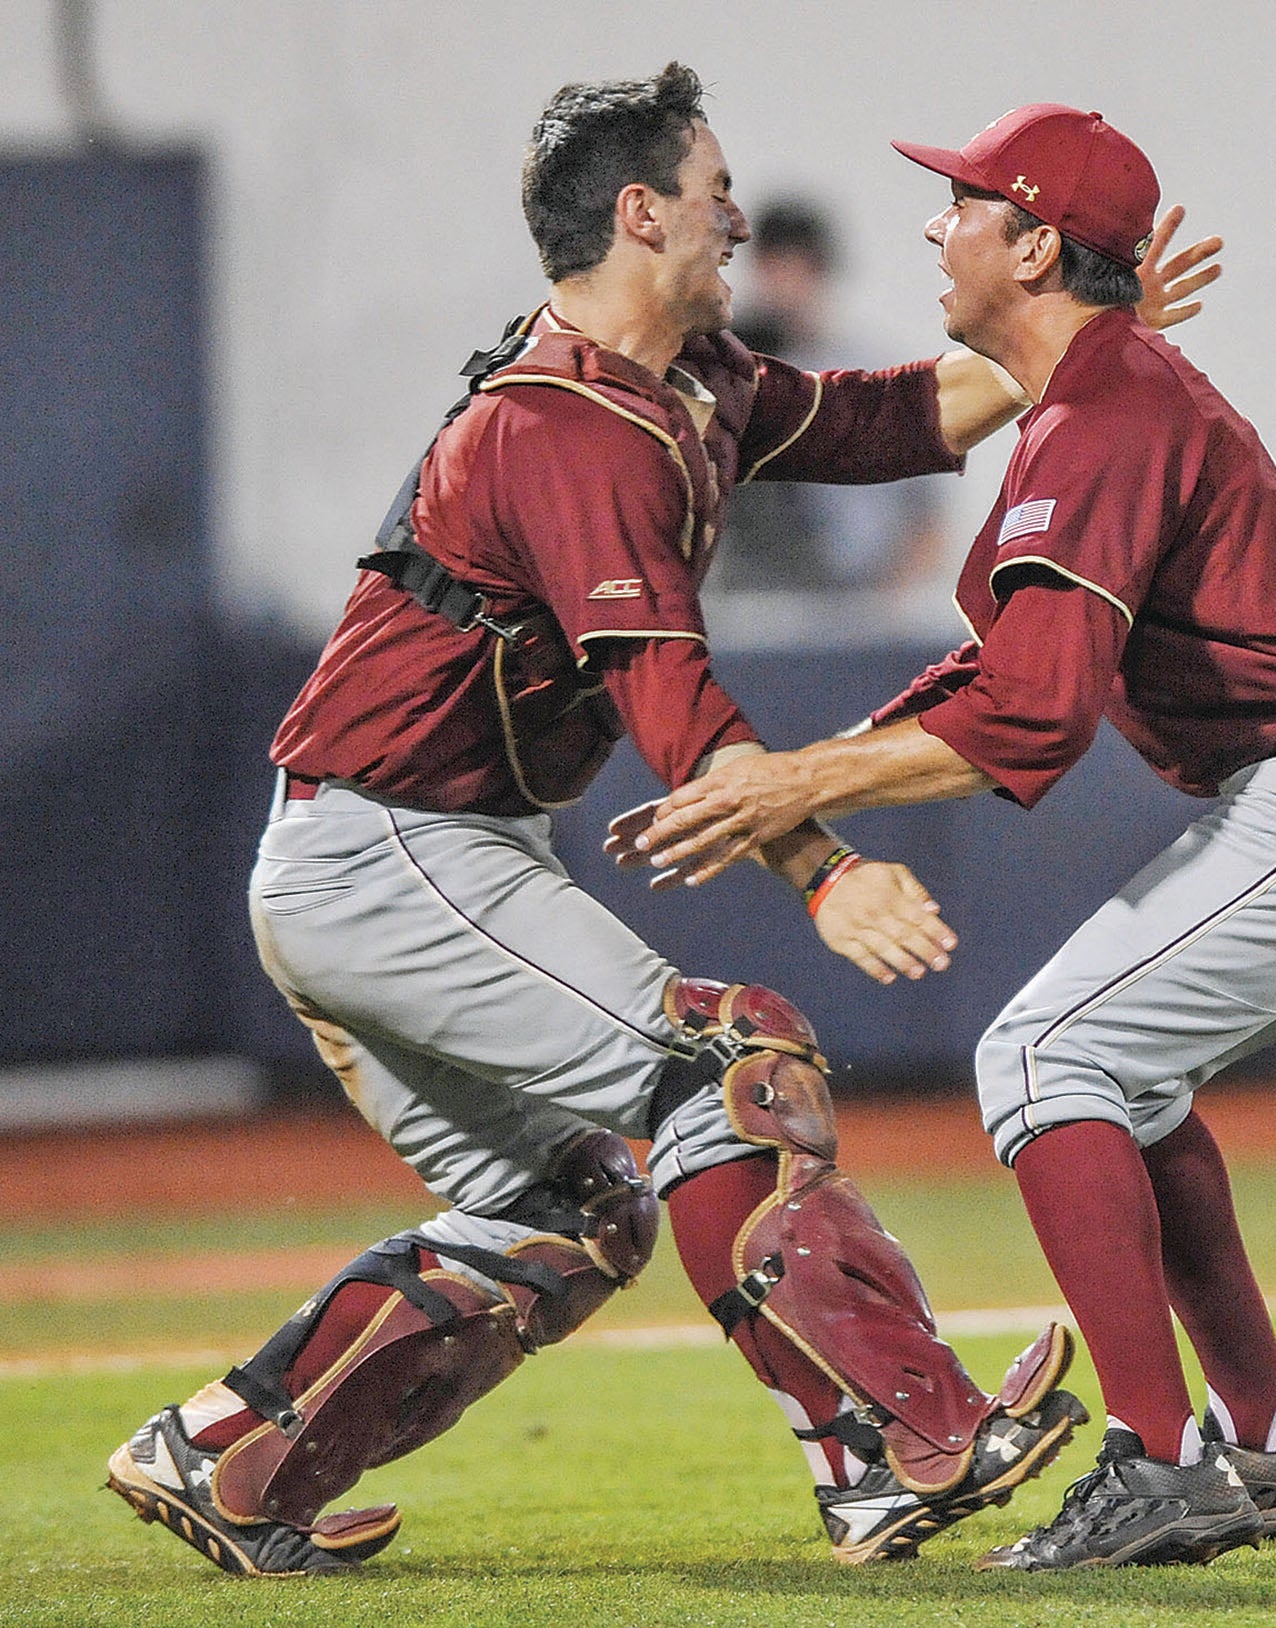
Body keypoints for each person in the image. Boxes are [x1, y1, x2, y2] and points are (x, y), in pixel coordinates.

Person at [101, 66, 1217, 1578]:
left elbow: (892, 419)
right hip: (389, 848)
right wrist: (820, 870)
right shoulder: (563, 425)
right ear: (639, 213)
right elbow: (670, 706)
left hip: (406, 847)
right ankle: (891, 1444)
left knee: (571, 1211)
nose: (735, 213)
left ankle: (233, 1459)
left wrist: (1082, 332)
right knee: (730, 1061)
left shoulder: (684, 381)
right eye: (710, 190)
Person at [623, 101, 1276, 1571]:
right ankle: (1267, 1443)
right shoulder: (1093, 395)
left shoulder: (1103, 412)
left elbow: (1030, 719)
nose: (934, 225)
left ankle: (1163, 1465)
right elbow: (1002, 675)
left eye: (964, 203)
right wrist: (803, 775)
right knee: (1120, 1071)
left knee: (1047, 1058)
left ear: (1033, 243)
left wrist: (790, 789)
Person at [710, 198, 951, 593]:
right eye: (775, 266)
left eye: (800, 268)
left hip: (857, 597)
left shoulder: (874, 375)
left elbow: (928, 514)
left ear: (821, 271)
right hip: (757, 594)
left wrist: (885, 603)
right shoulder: (729, 370)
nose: (787, 283)